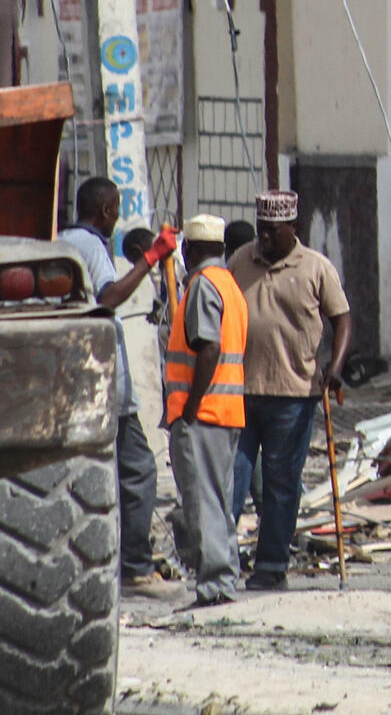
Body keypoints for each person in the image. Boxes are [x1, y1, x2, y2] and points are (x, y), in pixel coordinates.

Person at [59, 179, 179, 599]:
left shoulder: (61, 241)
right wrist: (152, 257)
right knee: (139, 470)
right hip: (108, 385)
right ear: (107, 211)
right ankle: (135, 567)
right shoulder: (91, 246)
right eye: (116, 210)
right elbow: (109, 296)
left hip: (79, 381)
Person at [227, 191, 352, 591]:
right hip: (241, 390)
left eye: (272, 232)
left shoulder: (316, 267)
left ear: (293, 229)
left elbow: (342, 320)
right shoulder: (240, 262)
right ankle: (220, 564)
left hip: (294, 393)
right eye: (261, 230)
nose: (263, 238)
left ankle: (271, 566)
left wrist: (335, 368)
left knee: (283, 484)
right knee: (234, 479)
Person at [162, 215, 246, 608]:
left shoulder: (201, 285)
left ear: (188, 249)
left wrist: (191, 406)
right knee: (219, 501)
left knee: (203, 502)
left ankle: (215, 584)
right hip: (227, 410)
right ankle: (225, 576)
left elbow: (208, 347)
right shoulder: (230, 285)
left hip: (203, 413)